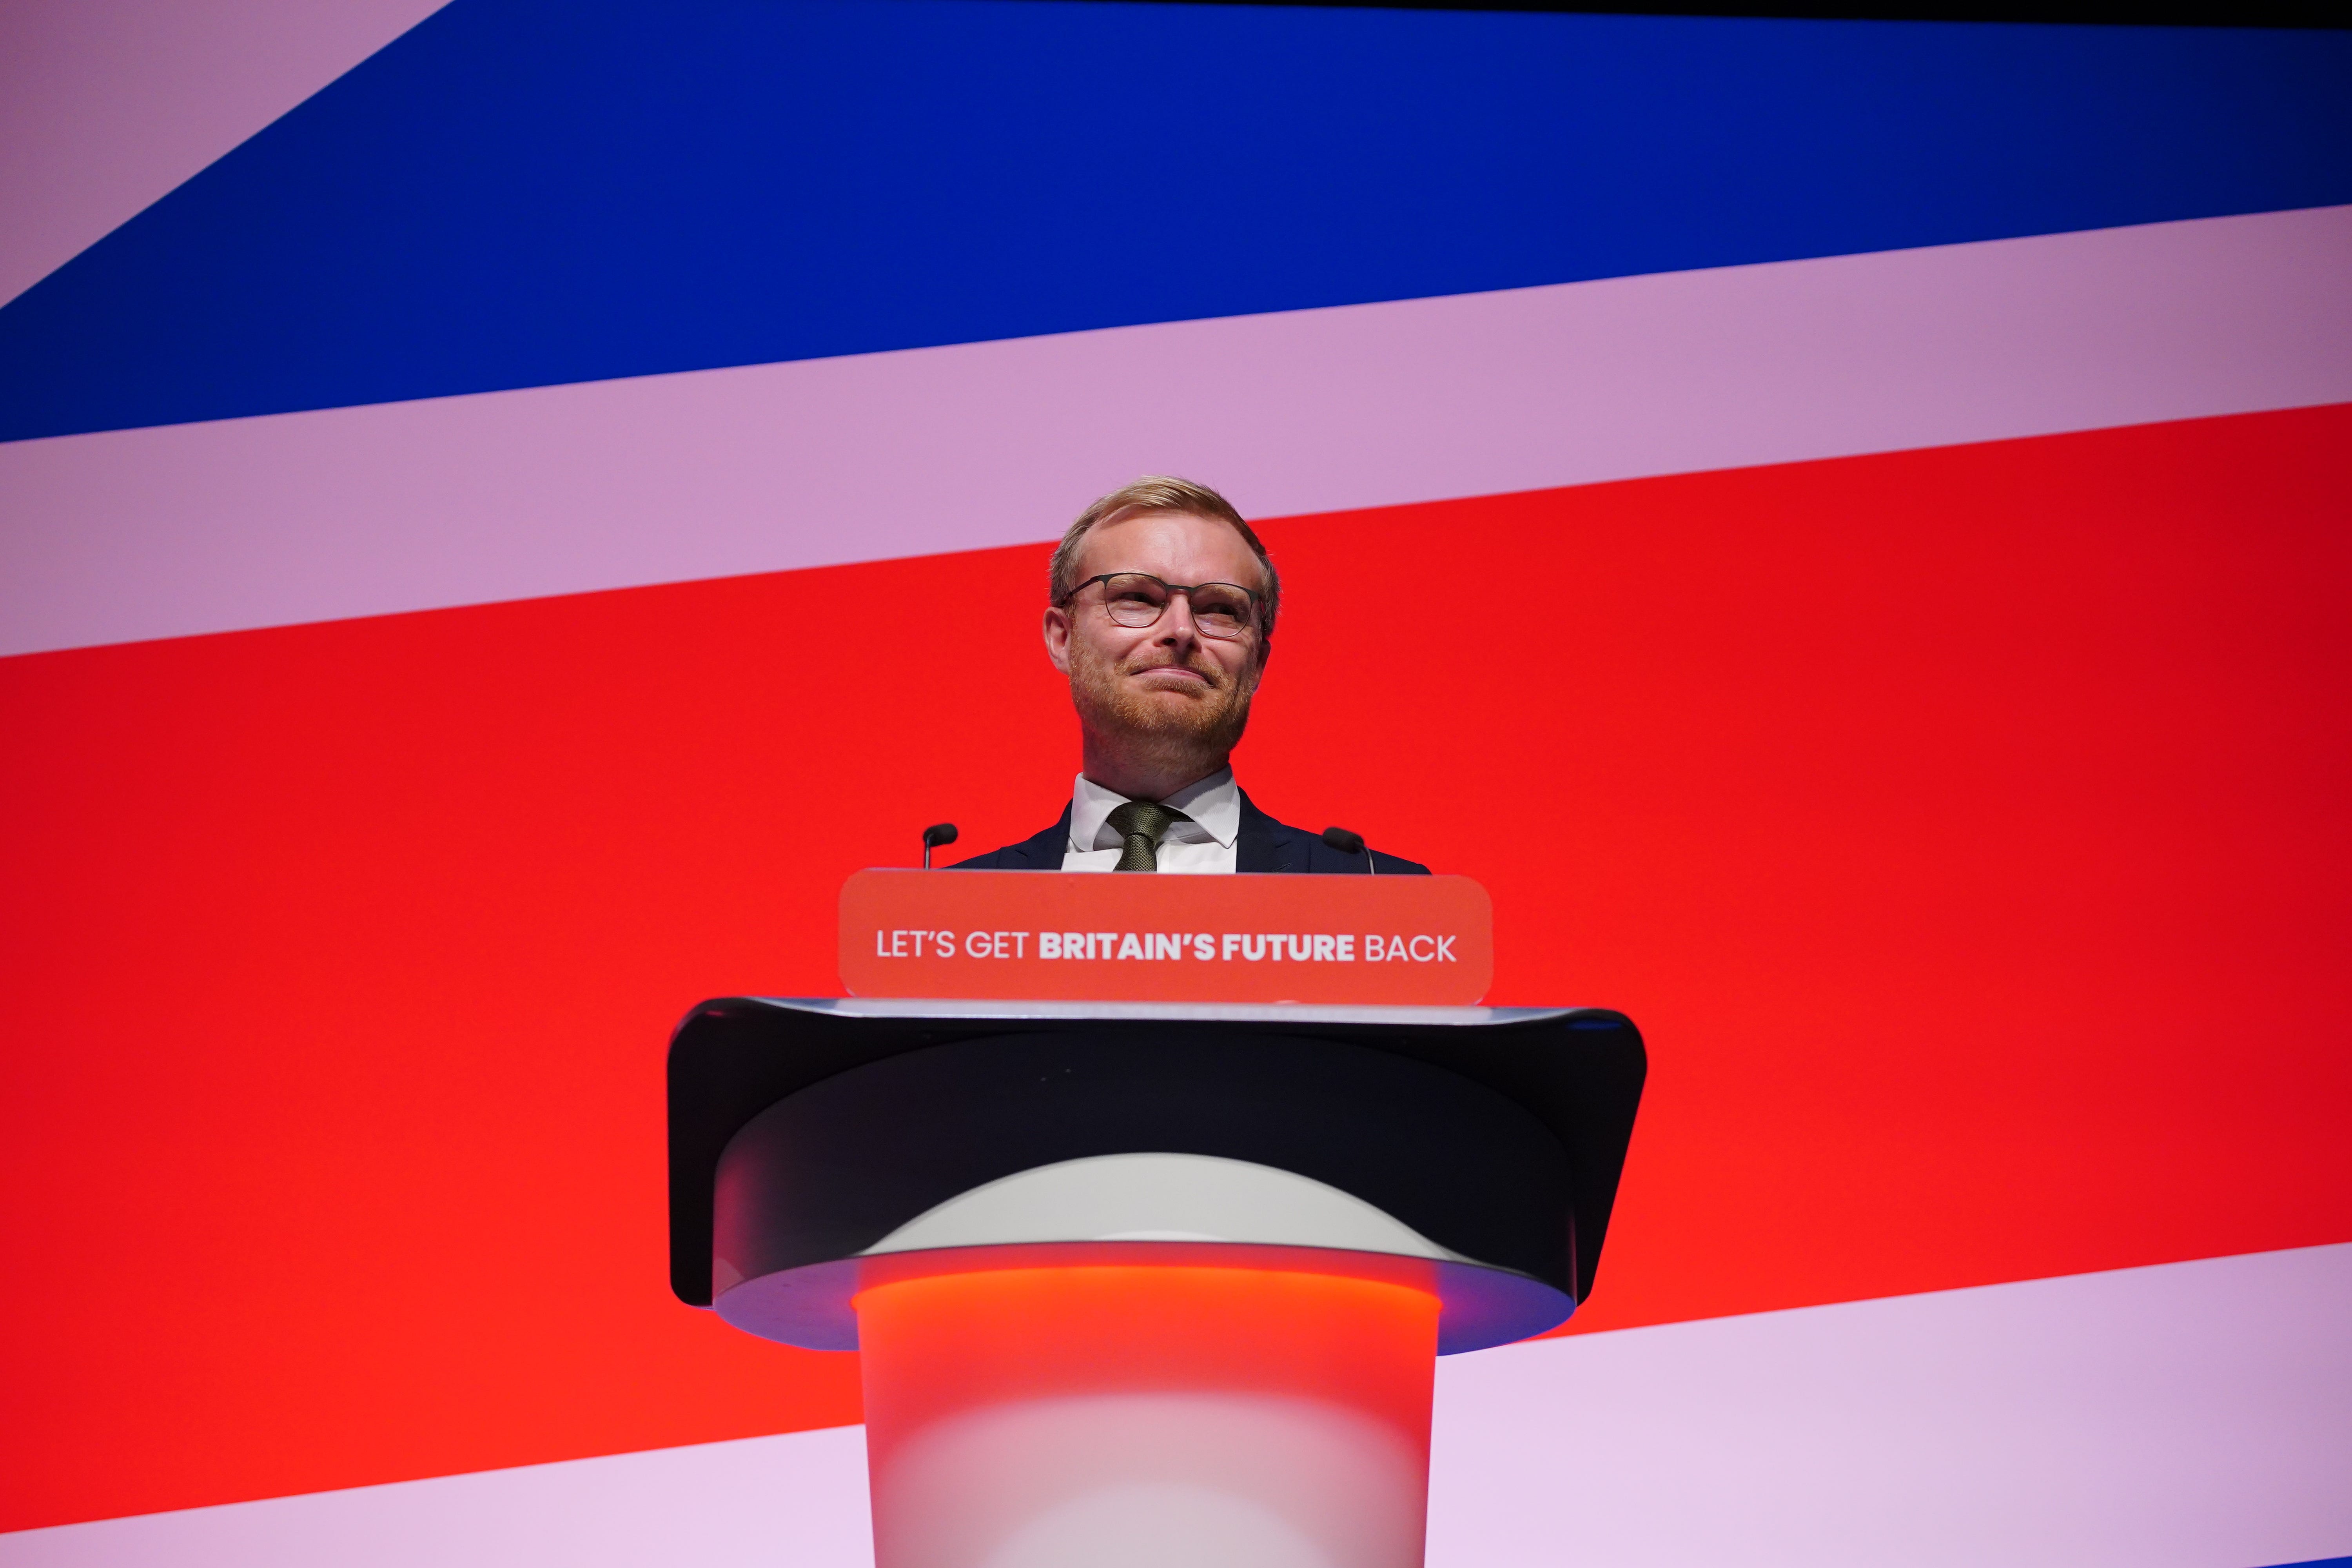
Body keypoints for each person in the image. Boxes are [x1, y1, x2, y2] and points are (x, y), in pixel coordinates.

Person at [953, 477, 1429, 874]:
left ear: (1259, 661)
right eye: (1137, 598)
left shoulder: (1379, 900)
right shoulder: (947, 915)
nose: (1181, 630)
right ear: (1063, 637)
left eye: (1220, 609)